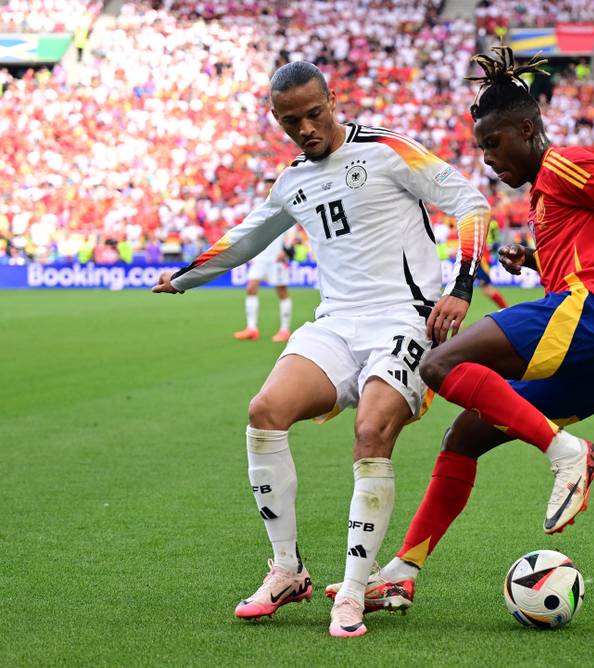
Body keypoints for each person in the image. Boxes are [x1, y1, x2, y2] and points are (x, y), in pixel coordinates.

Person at [325, 46, 594, 613]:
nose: (488, 159)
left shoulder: (564, 164)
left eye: (494, 142)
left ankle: (567, 454)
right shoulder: (545, 193)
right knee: (466, 435)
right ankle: (401, 573)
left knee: (440, 364)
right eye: (482, 147)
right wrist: (533, 260)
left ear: (528, 129)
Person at [151, 61, 490, 637]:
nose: (306, 128)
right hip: (334, 325)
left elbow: (472, 205)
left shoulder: (388, 150)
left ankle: (353, 592)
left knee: (371, 431)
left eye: (314, 113)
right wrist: (183, 276)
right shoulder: (292, 182)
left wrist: (461, 288)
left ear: (333, 100)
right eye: (291, 121)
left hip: (404, 321)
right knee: (264, 412)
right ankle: (286, 570)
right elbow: (247, 238)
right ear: (277, 121)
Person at [233, 229, 294, 342]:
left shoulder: (285, 212)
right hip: (260, 258)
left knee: (282, 292)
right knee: (251, 288)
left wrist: (286, 249)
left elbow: (291, 232)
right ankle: (252, 329)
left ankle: (284, 330)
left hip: (277, 258)